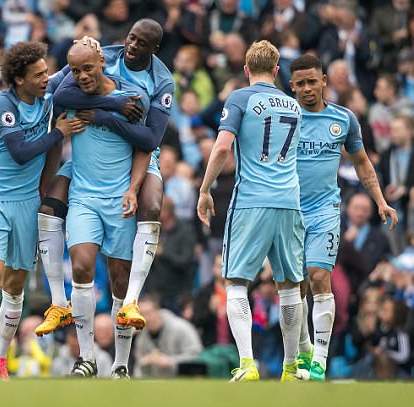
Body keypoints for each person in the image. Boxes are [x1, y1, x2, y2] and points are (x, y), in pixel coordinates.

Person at [35, 18, 174, 339]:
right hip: (87, 168)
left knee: (151, 206)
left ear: (153, 49)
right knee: (49, 209)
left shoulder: (159, 82)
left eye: (141, 43)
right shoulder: (104, 55)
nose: (132, 46)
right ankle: (59, 303)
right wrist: (109, 105)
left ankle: (133, 301)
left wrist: (105, 120)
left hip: (134, 159)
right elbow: (56, 94)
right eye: (131, 38)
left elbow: (150, 138)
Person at [0, 41, 83, 379]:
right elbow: (21, 152)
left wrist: (98, 46)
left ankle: (0, 359)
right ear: (19, 79)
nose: (46, 78)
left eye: (47, 71)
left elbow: (71, 68)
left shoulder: (47, 95)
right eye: (38, 74)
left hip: (27, 206)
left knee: (15, 286)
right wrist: (58, 133)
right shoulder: (2, 104)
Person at [197, 40, 304, 382]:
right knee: (288, 286)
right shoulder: (294, 104)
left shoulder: (241, 98)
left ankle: (246, 364)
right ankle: (291, 367)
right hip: (289, 201)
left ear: (246, 70)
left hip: (252, 200)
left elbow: (223, 147)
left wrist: (204, 189)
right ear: (276, 70)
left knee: (235, 281)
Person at [289, 54, 398, 381]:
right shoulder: (285, 118)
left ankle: (320, 360)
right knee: (295, 288)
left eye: (313, 81)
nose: (308, 89)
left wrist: (379, 201)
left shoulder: (344, 119)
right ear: (291, 87)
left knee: (319, 276)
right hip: (288, 212)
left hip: (325, 210)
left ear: (324, 81)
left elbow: (363, 163)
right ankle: (303, 353)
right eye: (301, 84)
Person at [51, 42, 151, 378]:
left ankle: (121, 363)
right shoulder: (70, 95)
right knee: (81, 267)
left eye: (87, 68)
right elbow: (56, 100)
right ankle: (88, 357)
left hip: (119, 197)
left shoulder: (133, 98)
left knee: (120, 278)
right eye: (75, 71)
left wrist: (134, 189)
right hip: (83, 197)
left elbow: (145, 145)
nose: (81, 76)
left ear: (102, 62)